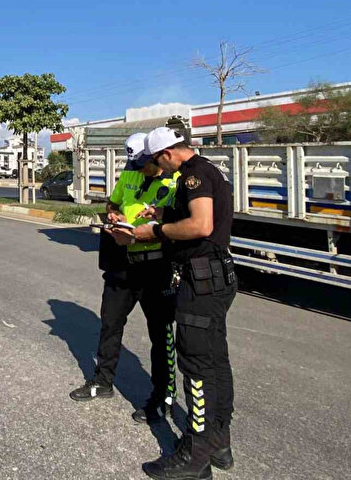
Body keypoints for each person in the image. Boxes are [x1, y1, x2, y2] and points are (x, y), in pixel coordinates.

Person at [129, 126, 237, 479]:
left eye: (156, 161)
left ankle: (195, 454)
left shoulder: (193, 176)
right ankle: (219, 441)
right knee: (215, 360)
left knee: (196, 366)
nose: (158, 169)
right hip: (215, 277)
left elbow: (202, 225)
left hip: (202, 280)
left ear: (167, 154)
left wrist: (156, 232)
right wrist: (161, 216)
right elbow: (195, 218)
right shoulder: (205, 169)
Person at [69, 133, 181, 427]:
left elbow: (182, 223)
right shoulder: (130, 174)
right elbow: (113, 203)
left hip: (156, 265)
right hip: (123, 263)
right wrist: (115, 216)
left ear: (157, 157)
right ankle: (102, 381)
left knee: (160, 333)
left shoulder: (175, 181)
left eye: (145, 162)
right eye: (137, 162)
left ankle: (164, 396)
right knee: (110, 323)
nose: (140, 167)